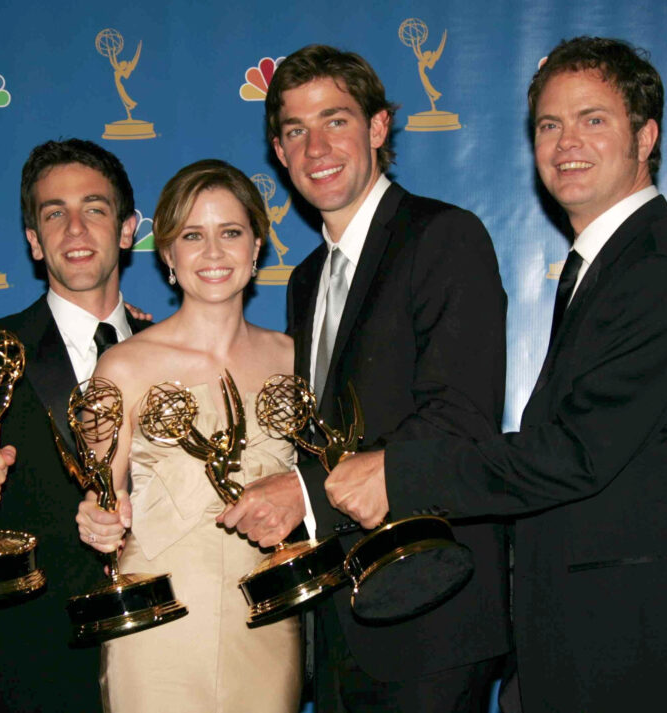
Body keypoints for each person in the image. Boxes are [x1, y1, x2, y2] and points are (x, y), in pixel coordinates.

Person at [329, 37, 667, 711]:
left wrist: (399, 473)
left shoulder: (659, 273)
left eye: (594, 119)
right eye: (548, 124)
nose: (568, 142)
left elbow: (575, 452)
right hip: (593, 648)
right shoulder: (606, 267)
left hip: (651, 658)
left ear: (645, 135)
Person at [217, 44, 512, 712]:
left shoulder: (444, 237)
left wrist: (302, 492)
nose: (316, 145)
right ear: (279, 151)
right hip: (344, 617)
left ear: (378, 128)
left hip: (431, 609)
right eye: (295, 130)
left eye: (336, 120)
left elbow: (458, 419)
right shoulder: (306, 281)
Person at [0, 138, 151, 712]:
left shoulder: (175, 353)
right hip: (25, 665)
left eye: (95, 209)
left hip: (159, 656)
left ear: (127, 229)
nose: (75, 229)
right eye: (55, 214)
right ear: (34, 240)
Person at [77, 159, 302, 713]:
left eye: (230, 233)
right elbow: (99, 496)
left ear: (256, 247)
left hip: (268, 618)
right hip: (160, 623)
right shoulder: (120, 367)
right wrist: (98, 518)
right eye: (192, 236)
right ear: (169, 256)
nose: (214, 253)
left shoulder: (297, 360)